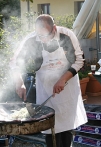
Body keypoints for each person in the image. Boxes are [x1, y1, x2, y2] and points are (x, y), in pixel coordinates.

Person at [13, 14, 87, 147]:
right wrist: (19, 82)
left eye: (45, 35)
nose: (43, 39)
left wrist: (63, 79)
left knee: (66, 129)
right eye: (40, 36)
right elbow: (15, 62)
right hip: (46, 89)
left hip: (68, 89)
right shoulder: (31, 40)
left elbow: (80, 60)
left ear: (54, 29)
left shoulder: (67, 35)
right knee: (50, 129)